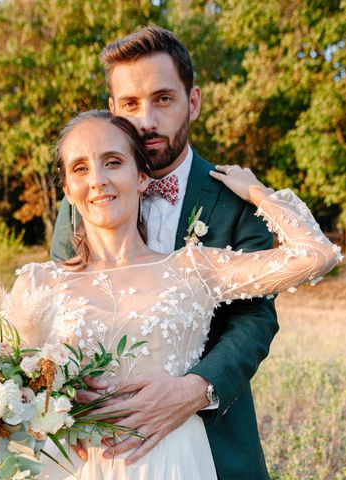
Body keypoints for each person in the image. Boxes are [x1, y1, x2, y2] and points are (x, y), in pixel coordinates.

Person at [8, 109, 341, 479]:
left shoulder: (192, 269)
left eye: (113, 162)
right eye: (80, 168)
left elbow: (318, 255)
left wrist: (257, 193)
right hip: (76, 467)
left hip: (174, 462)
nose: (98, 179)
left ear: (141, 178)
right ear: (68, 190)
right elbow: (17, 392)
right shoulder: (39, 284)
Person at [51, 26, 277, 479]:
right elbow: (61, 307)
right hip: (96, 447)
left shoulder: (235, 200)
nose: (146, 120)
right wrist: (66, 386)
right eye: (131, 104)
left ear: (191, 101)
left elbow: (254, 320)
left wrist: (195, 389)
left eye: (163, 99)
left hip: (208, 437)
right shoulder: (80, 201)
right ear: (114, 108)